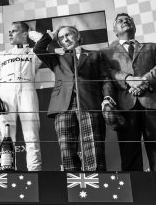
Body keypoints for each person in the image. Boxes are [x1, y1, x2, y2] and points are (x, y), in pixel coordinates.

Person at [29, 27, 115, 171]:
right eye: (61, 38)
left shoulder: (95, 55)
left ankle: (97, 184)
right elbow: (38, 49)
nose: (65, 40)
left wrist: (107, 98)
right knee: (67, 151)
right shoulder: (57, 58)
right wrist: (50, 36)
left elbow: (105, 78)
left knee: (93, 148)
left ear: (78, 36)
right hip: (63, 105)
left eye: (67, 35)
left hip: (90, 103)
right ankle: (72, 186)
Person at [102, 13, 156, 171]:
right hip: (125, 107)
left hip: (153, 105)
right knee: (130, 157)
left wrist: (144, 80)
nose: (125, 22)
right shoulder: (105, 52)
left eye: (128, 20)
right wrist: (127, 79)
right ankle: (135, 193)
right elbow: (107, 72)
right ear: (114, 29)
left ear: (134, 26)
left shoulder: (153, 47)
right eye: (120, 21)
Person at [0, 22, 41, 171]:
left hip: (27, 89)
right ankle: (7, 168)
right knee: (6, 133)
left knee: (32, 134)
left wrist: (28, 34)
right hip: (6, 92)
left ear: (24, 34)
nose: (9, 34)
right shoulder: (2, 55)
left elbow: (43, 41)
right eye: (9, 31)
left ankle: (35, 171)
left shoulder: (35, 52)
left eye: (14, 31)